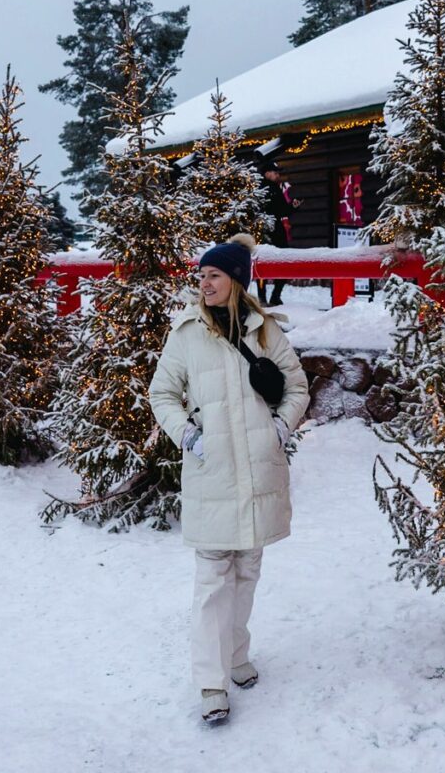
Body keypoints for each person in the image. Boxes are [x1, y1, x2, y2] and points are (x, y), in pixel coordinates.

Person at [149, 233, 310, 724]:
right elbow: (162, 395)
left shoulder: (265, 333)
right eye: (201, 276)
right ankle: (211, 683)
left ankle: (238, 656)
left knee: (246, 574)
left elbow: (297, 386)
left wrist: (278, 428)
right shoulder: (185, 334)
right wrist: (188, 437)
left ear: (236, 281)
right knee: (212, 582)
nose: (204, 283)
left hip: (258, 475)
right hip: (212, 474)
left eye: (214, 275)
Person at [258, 160, 302, 307]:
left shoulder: (275, 188)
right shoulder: (260, 189)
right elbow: (279, 210)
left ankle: (270, 297)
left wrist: (293, 206)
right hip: (268, 229)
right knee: (279, 262)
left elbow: (283, 210)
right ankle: (269, 297)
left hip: (273, 228)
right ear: (267, 174)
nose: (278, 176)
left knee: (272, 263)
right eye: (275, 173)